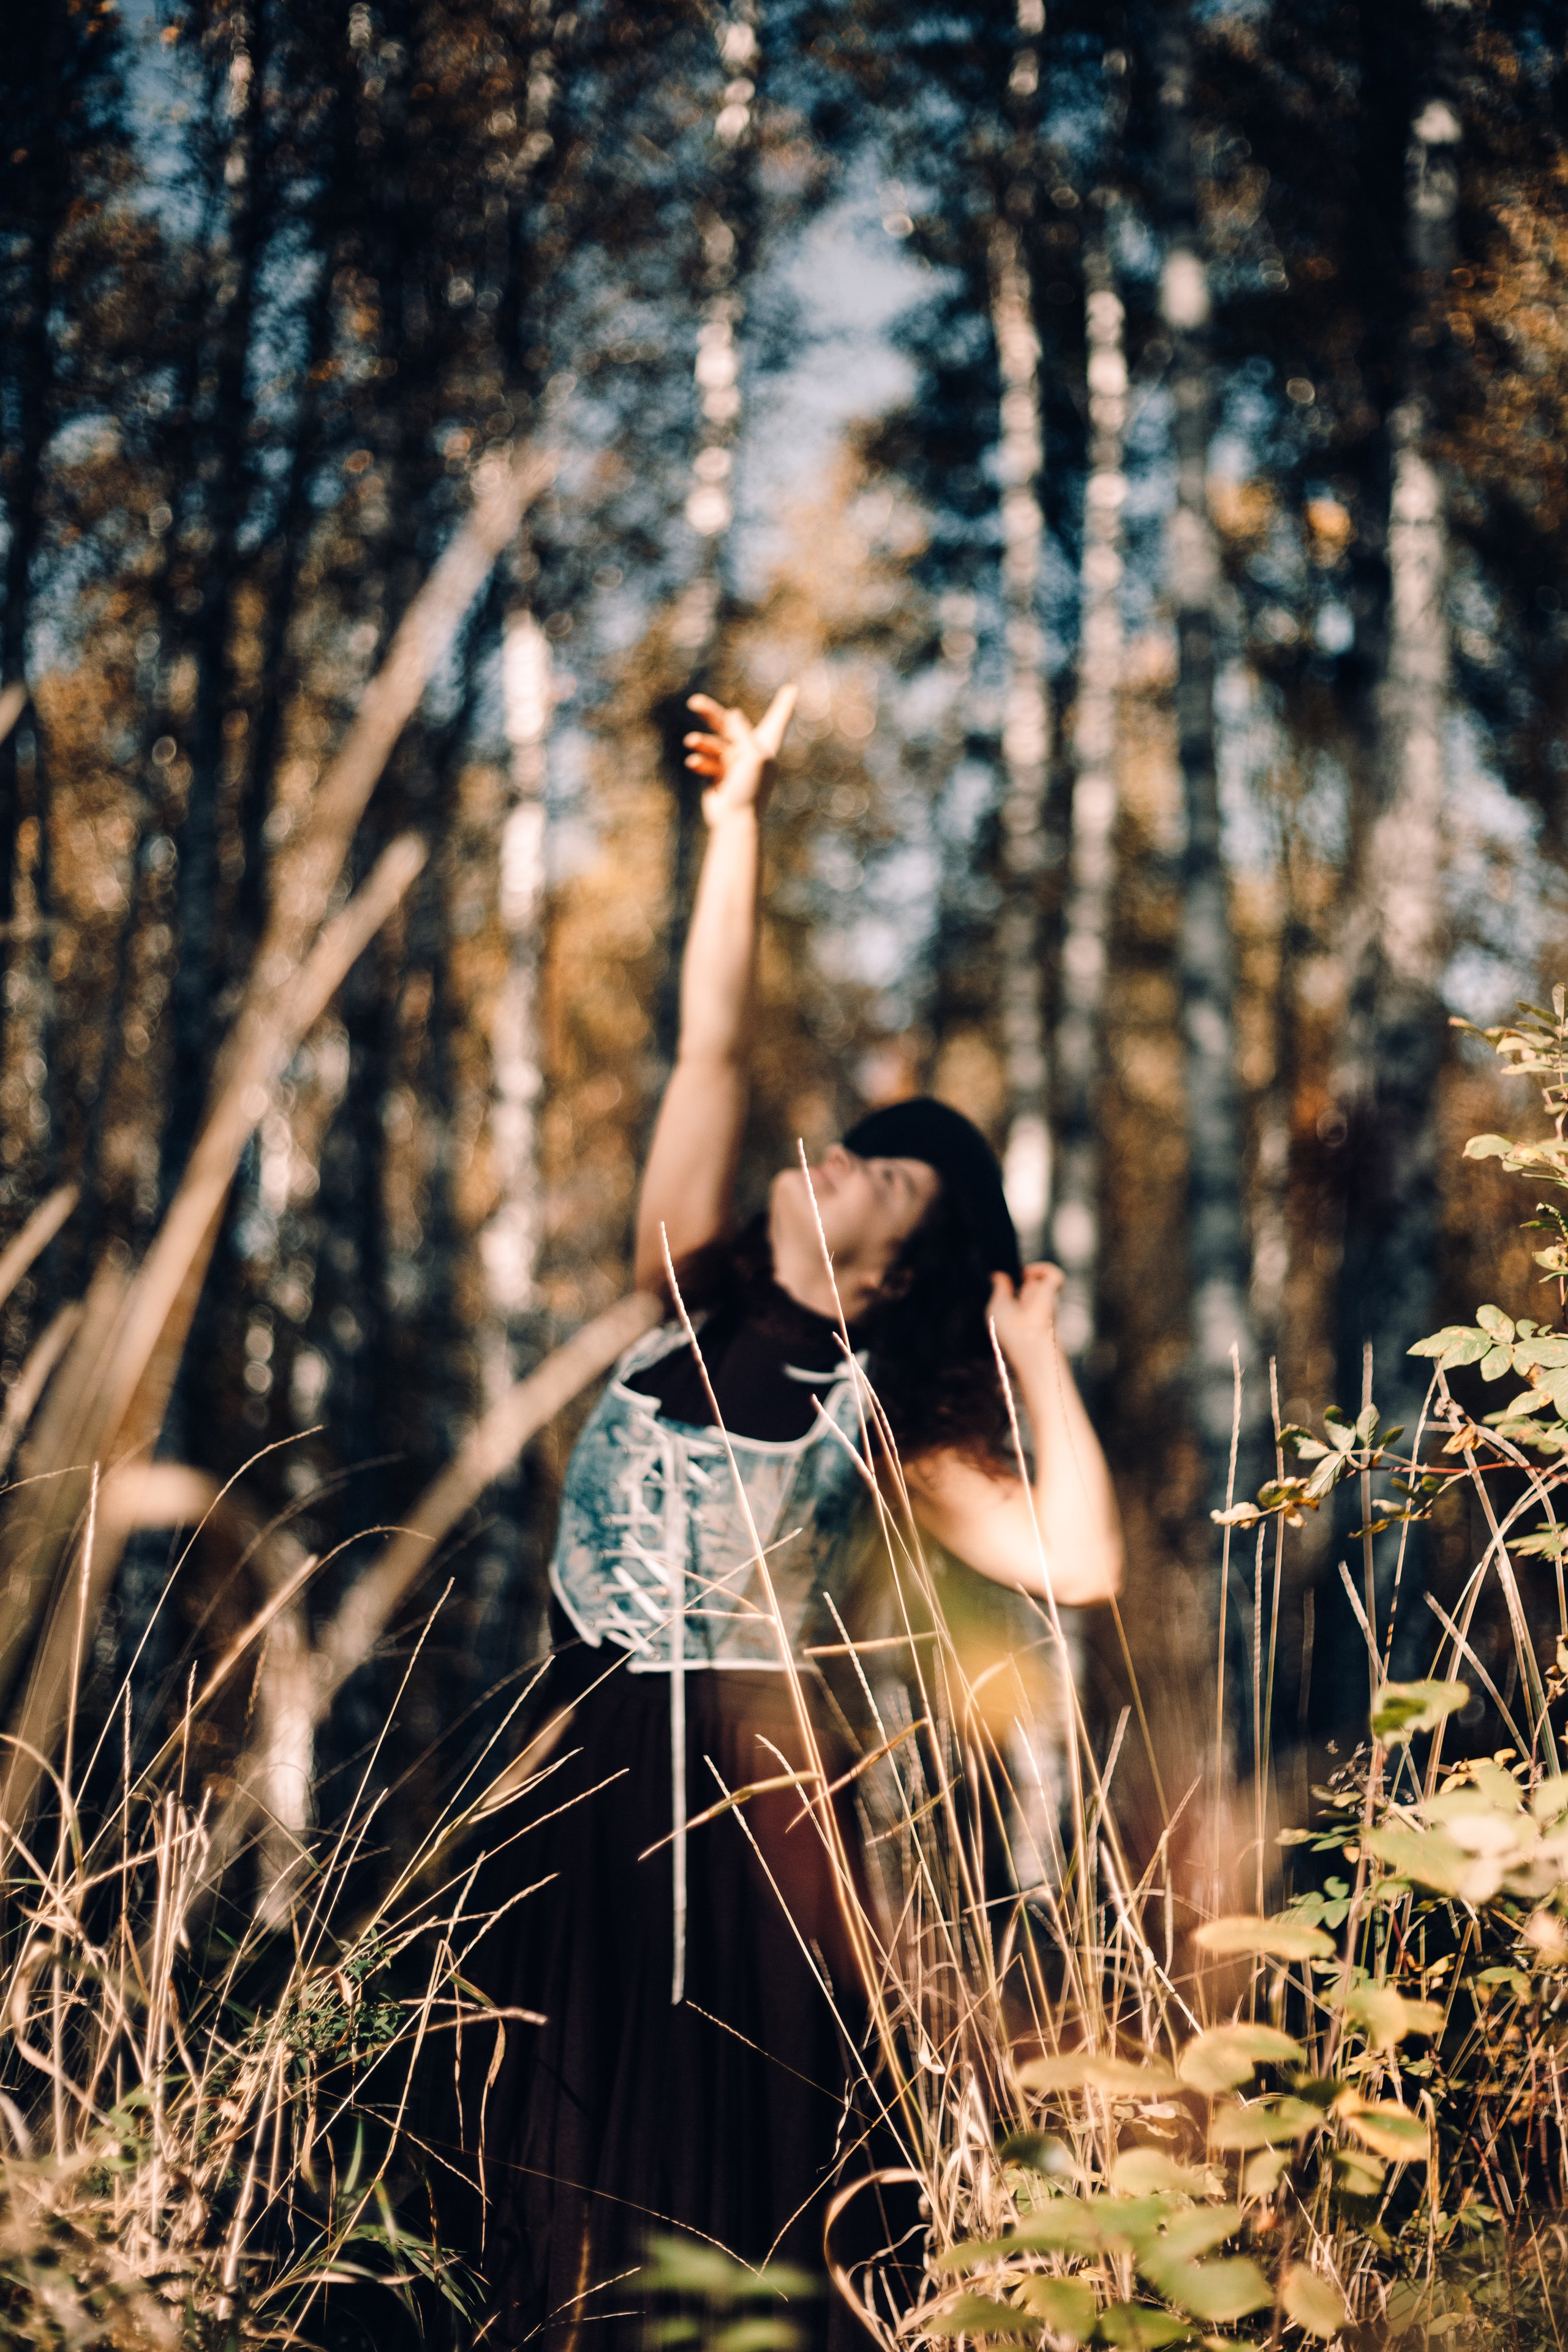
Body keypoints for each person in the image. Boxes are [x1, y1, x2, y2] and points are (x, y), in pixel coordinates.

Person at [474, 687, 1123, 2352]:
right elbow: (709, 1049)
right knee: (548, 2176)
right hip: (567, 1777)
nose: (836, 1159)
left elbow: (1081, 1562)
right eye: (850, 1148)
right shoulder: (680, 1288)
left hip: (755, 1821)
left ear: (898, 1273)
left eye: (883, 1180)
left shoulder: (880, 1408)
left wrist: (1034, 1358)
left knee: (734, 2194)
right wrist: (738, 829)